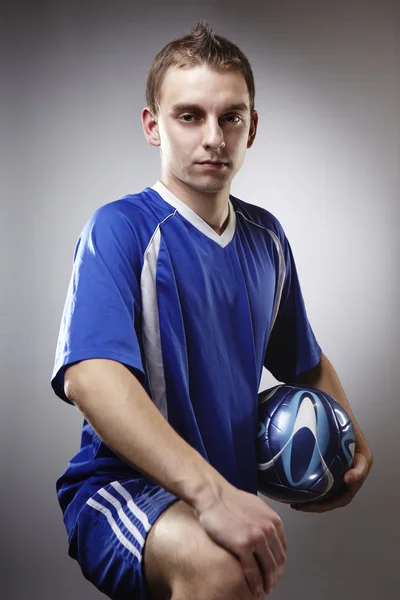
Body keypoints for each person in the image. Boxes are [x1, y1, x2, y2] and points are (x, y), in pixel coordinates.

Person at [51, 21, 373, 600]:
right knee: (223, 568)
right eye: (189, 115)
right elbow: (89, 377)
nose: (214, 138)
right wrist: (211, 494)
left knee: (235, 574)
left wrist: (348, 437)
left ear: (253, 127)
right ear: (154, 126)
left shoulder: (266, 238)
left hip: (223, 487)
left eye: (231, 117)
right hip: (122, 488)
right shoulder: (121, 229)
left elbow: (304, 362)